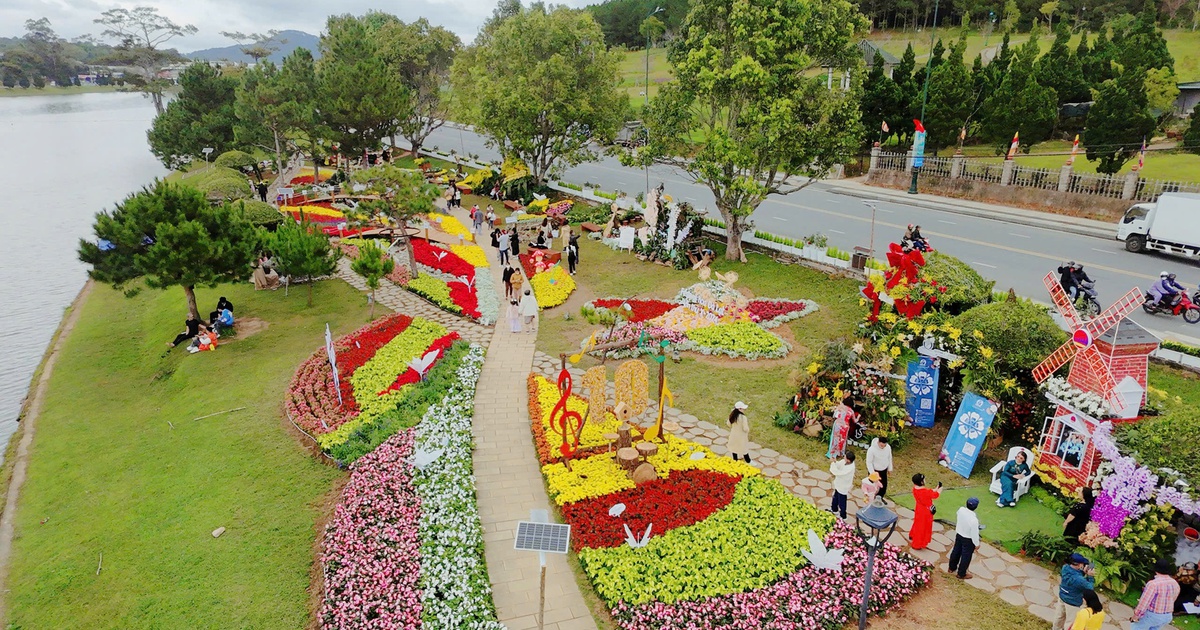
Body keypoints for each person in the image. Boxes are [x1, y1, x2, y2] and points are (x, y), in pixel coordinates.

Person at [1131, 559, 1180, 630]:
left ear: (1156, 570)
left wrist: (1136, 616)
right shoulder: (1175, 583)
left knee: (1136, 628)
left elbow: (1144, 602)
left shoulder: (1153, 584)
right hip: (1167, 616)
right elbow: (1173, 599)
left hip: (1153, 615)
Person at [1054, 553, 1096, 630]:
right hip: (1072, 603)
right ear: (1079, 565)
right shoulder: (1079, 579)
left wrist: (1083, 572)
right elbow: (1090, 588)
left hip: (1062, 597)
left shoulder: (1065, 567)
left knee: (1059, 617)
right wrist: (1090, 576)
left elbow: (1075, 576)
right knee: (1070, 622)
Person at [948, 497, 981, 580]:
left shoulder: (961, 510)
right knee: (966, 556)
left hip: (959, 534)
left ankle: (951, 568)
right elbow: (974, 534)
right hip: (968, 539)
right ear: (976, 507)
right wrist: (977, 544)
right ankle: (961, 573)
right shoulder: (974, 520)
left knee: (956, 551)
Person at [910, 473, 942, 550]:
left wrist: (936, 488)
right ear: (921, 482)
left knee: (917, 523)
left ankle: (912, 535)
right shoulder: (925, 492)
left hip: (919, 508)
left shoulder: (915, 489)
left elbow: (929, 492)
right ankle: (917, 544)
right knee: (922, 527)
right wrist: (940, 490)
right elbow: (935, 495)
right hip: (926, 511)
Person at [827, 395, 856, 459]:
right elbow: (855, 421)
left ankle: (833, 453)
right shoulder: (851, 411)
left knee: (835, 439)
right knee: (842, 439)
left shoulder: (840, 407)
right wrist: (859, 416)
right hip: (845, 426)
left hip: (838, 424)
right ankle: (840, 452)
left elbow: (835, 415)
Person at [829, 451, 856, 520]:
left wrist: (832, 463)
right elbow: (839, 465)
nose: (843, 457)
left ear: (848, 460)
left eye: (845, 457)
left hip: (843, 486)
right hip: (839, 484)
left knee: (842, 501)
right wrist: (835, 462)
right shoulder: (845, 462)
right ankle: (834, 509)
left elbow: (838, 472)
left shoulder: (849, 468)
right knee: (835, 497)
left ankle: (843, 516)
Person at [866, 436, 894, 501]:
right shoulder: (871, 449)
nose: (883, 447)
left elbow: (889, 458)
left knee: (883, 486)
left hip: (884, 470)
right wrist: (873, 473)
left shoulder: (888, 447)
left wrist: (890, 468)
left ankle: (879, 498)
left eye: (884, 445)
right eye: (881, 445)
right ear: (878, 442)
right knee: (872, 486)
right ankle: (870, 498)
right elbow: (869, 462)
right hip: (874, 471)